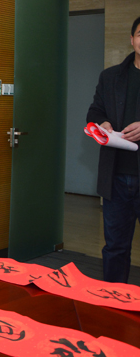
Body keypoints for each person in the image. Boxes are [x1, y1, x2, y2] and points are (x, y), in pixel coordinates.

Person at [86, 15, 140, 284]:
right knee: (115, 247)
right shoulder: (110, 77)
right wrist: (102, 123)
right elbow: (94, 111)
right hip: (116, 176)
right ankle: (113, 300)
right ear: (132, 40)